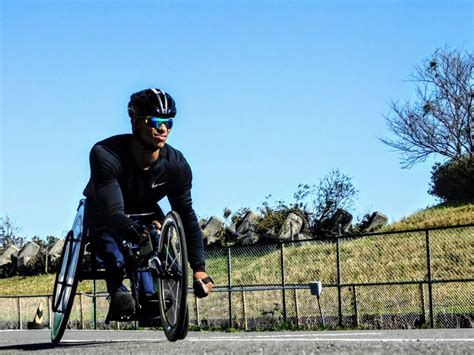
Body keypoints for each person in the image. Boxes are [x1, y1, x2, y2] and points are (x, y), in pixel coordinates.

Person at [83, 88, 214, 319]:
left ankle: (152, 296)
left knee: (154, 234)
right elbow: (113, 214)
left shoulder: (176, 165)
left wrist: (199, 270)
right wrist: (135, 233)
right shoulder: (105, 154)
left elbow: (186, 215)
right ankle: (118, 291)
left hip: (145, 208)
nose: (162, 128)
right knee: (114, 242)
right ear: (135, 121)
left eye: (168, 122)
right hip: (106, 211)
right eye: (154, 121)